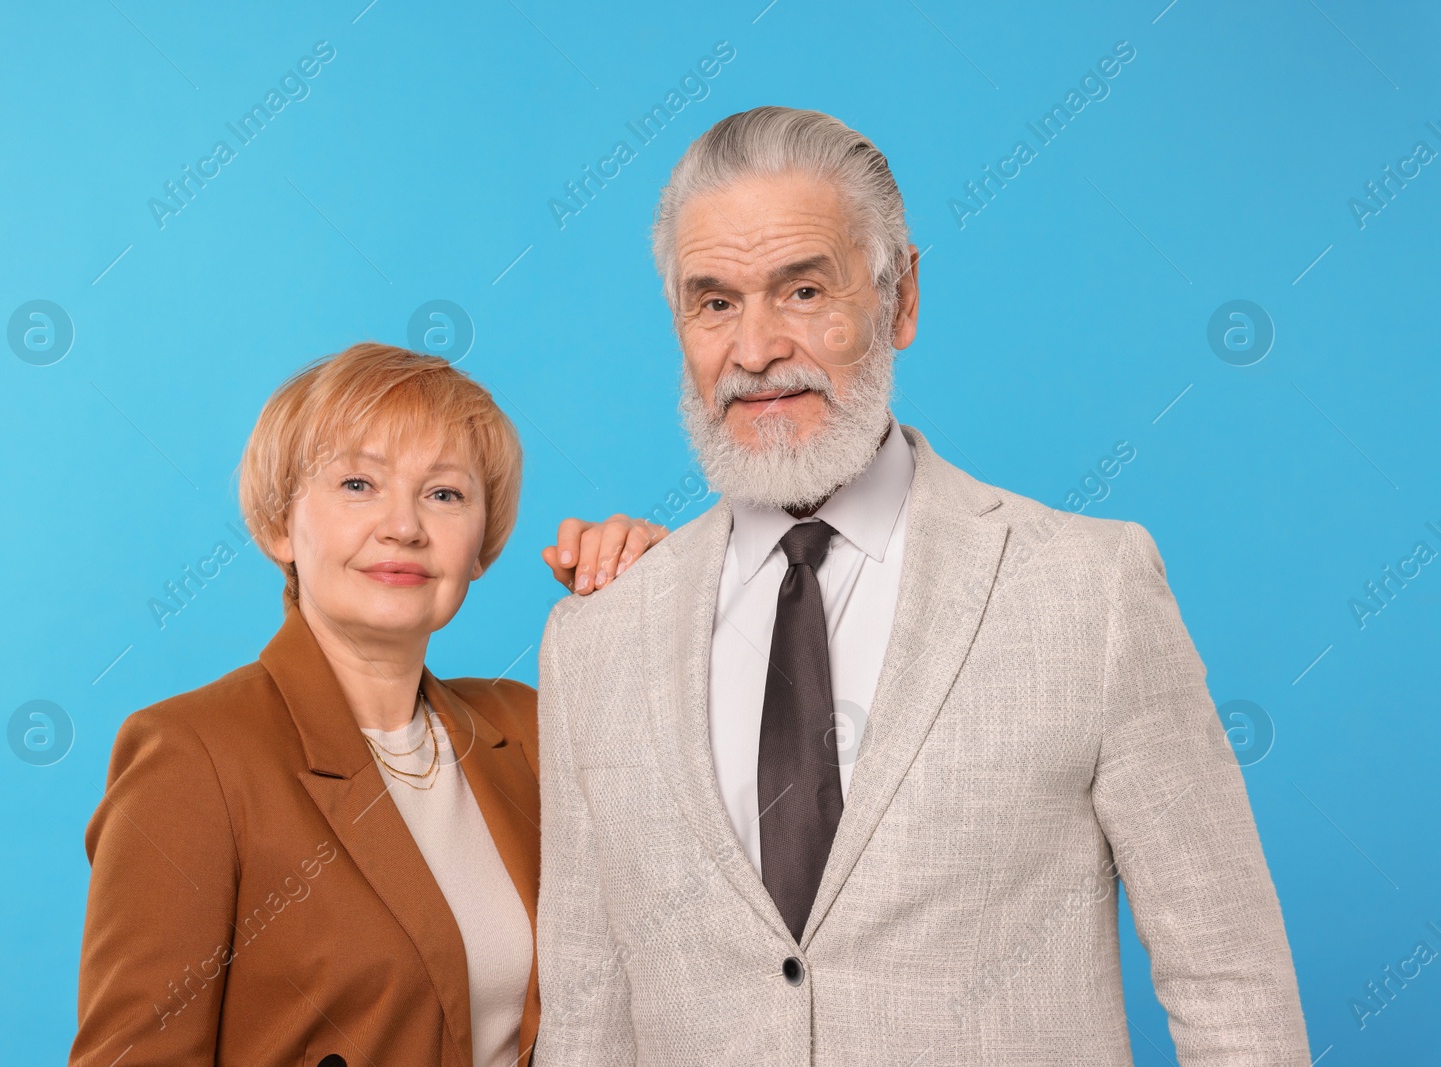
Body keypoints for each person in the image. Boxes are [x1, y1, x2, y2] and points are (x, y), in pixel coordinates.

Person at [534, 107, 1311, 1065]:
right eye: (715, 302)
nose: (757, 348)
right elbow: (585, 1018)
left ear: (899, 299)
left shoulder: (1091, 590)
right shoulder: (597, 640)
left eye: (804, 289)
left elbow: (1231, 986)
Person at [70, 342, 665, 1067]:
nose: (404, 526)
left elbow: (688, 911)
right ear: (278, 525)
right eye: (358, 483)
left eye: (444, 493)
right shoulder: (191, 754)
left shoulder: (526, 724)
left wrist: (648, 611)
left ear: (483, 544)